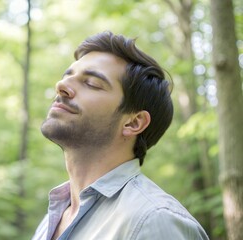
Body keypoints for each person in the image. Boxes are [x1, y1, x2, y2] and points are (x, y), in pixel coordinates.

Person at [32, 31, 209, 240]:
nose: (61, 86)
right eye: (67, 77)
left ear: (133, 122)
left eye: (91, 83)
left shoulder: (154, 220)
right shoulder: (52, 221)